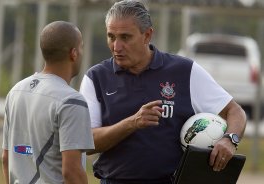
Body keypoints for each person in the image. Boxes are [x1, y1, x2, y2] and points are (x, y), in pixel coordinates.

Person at [80, 0, 246, 183]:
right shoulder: (95, 78)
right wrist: (132, 123)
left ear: (147, 35)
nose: (116, 47)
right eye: (111, 37)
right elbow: (86, 141)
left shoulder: (185, 71)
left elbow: (235, 112)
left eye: (125, 37)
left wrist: (230, 139)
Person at [2, 21, 94, 184]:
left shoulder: (15, 91)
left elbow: (6, 158)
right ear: (73, 53)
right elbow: (71, 171)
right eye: (81, 47)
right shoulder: (71, 101)